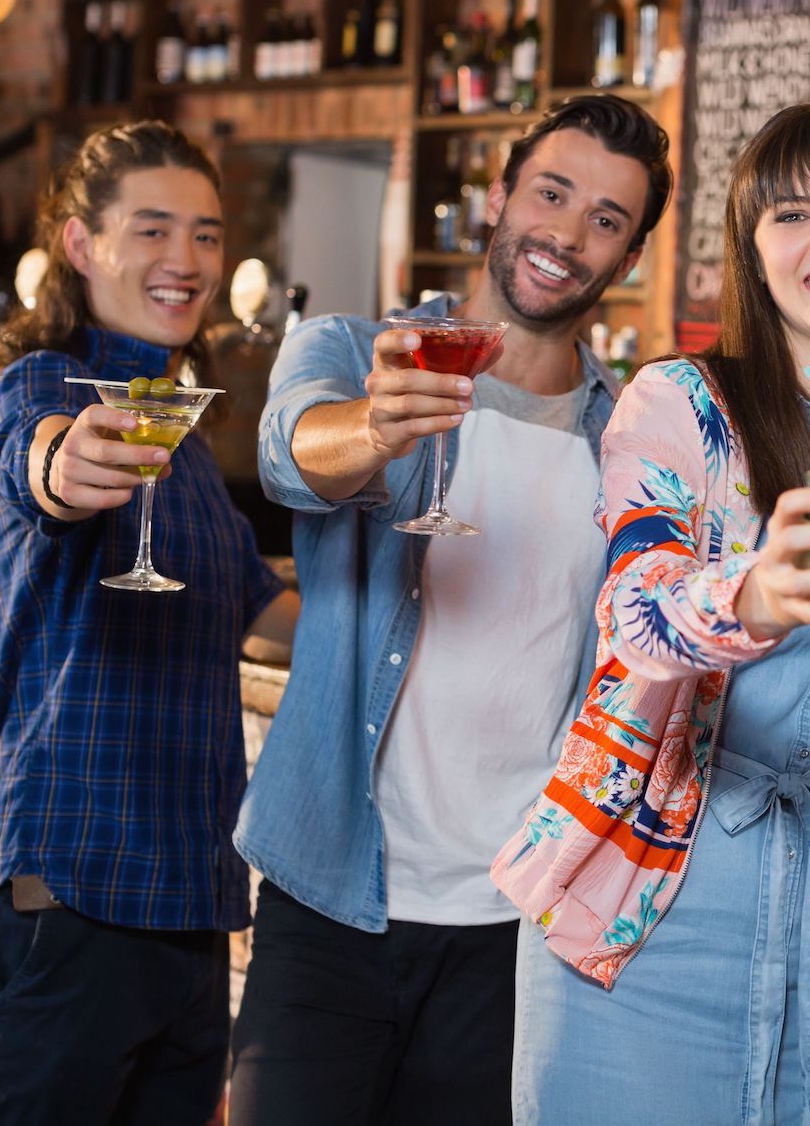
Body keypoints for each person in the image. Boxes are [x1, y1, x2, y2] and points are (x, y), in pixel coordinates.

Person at [493, 97, 810, 1125]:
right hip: (643, 915)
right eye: (788, 216)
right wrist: (752, 596)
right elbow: (632, 613)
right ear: (751, 254)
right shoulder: (681, 406)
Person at [226, 95, 671, 1124]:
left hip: (512, 923)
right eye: (550, 193)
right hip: (331, 898)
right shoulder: (354, 349)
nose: (565, 234)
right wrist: (376, 429)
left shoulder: (633, 439)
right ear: (499, 195)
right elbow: (293, 455)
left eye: (605, 219)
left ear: (630, 253)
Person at [0, 121, 297, 1126]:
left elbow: (273, 611)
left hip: (189, 911)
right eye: (151, 230)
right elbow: (45, 461)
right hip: (68, 901)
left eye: (203, 233)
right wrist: (70, 463)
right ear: (79, 244)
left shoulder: (181, 442)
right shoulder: (44, 388)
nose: (185, 261)